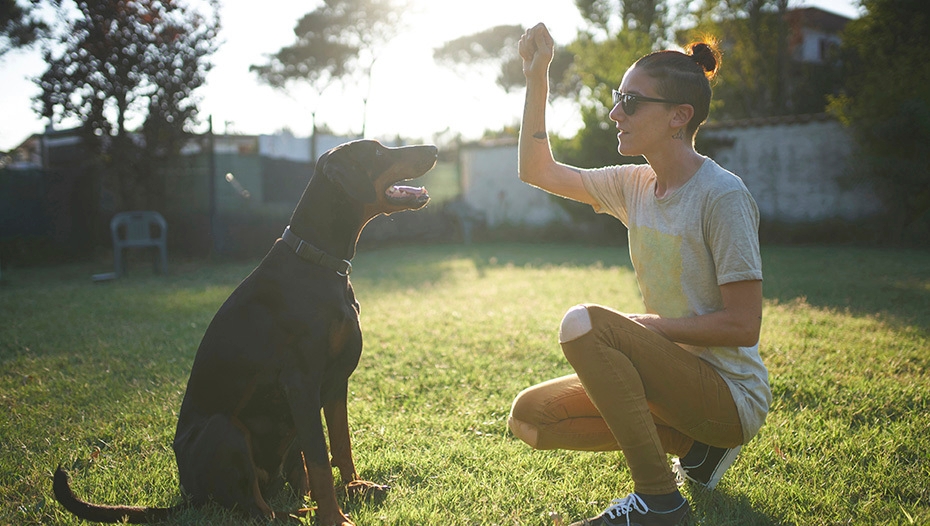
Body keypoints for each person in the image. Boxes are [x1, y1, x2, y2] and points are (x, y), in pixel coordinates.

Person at [508, 23, 771, 526]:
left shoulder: (723, 195)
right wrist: (537, 74)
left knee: (583, 323)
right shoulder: (633, 184)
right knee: (532, 419)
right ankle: (696, 450)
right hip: (670, 380)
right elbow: (537, 170)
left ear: (679, 116)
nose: (615, 113)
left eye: (630, 101)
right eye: (617, 98)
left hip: (730, 396)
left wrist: (652, 327)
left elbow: (743, 326)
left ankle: (660, 502)